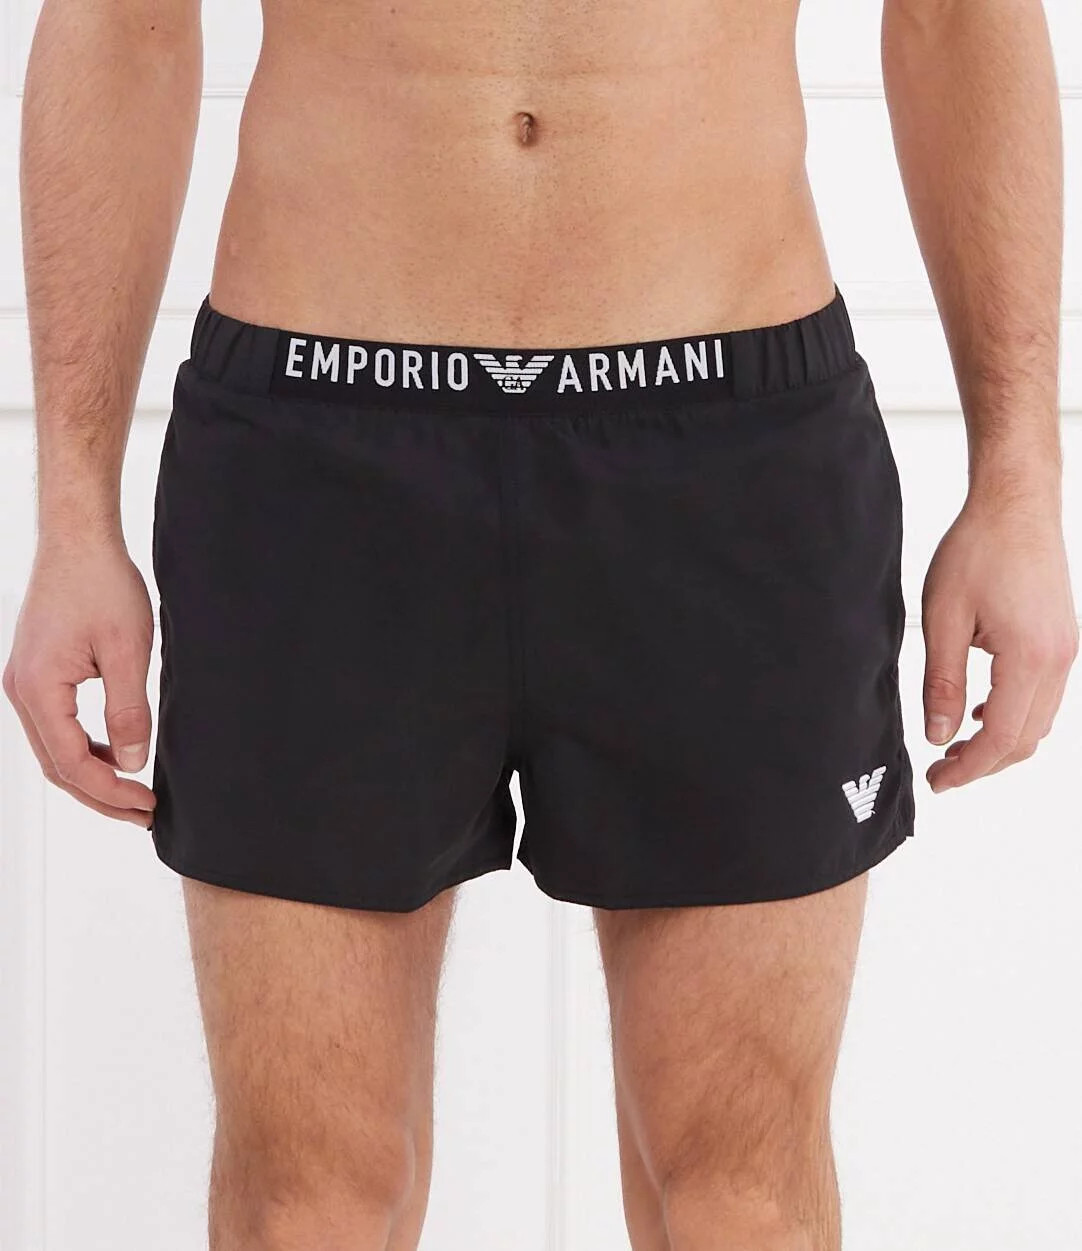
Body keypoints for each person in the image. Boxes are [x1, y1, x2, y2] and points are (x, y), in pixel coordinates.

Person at [3, 0, 1077, 1247]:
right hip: (316, 445)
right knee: (308, 1202)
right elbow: (123, 24)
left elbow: (952, 17)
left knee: (743, 1198)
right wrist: (71, 516)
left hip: (723, 446)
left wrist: (1016, 478)